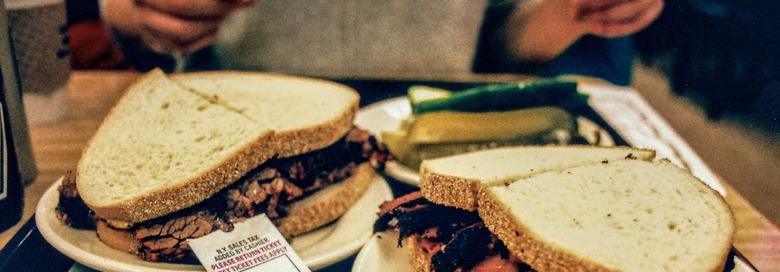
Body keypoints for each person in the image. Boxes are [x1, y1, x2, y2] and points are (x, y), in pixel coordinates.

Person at [96, 0, 663, 85]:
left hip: (444, 131)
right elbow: (125, 24)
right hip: (236, 109)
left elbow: (501, 47)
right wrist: (128, 11)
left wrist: (575, 10)